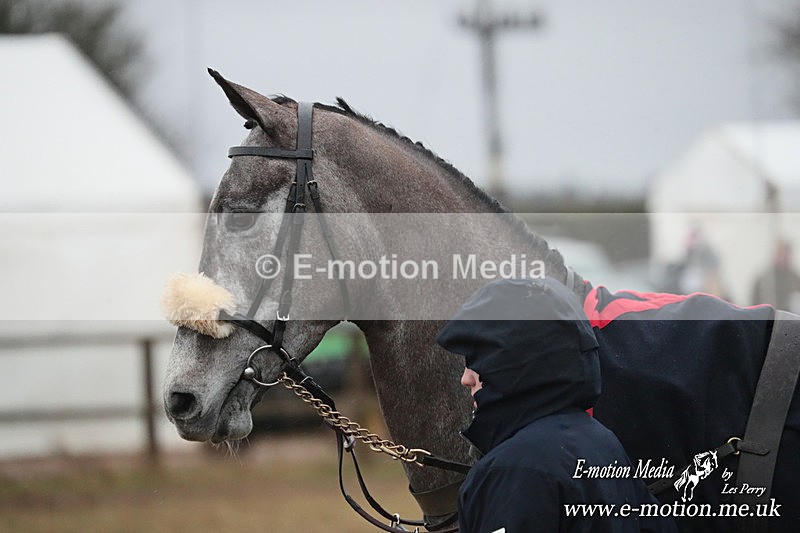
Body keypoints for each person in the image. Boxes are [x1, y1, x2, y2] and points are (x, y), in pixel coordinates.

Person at [436, 277, 676, 533]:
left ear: (518, 360)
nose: (465, 378)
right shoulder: (601, 441)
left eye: (479, 356)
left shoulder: (515, 471)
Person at [751, 240, 800, 312]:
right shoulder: (764, 281)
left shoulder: (795, 280)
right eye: (780, 254)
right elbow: (754, 305)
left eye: (785, 254)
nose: (782, 257)